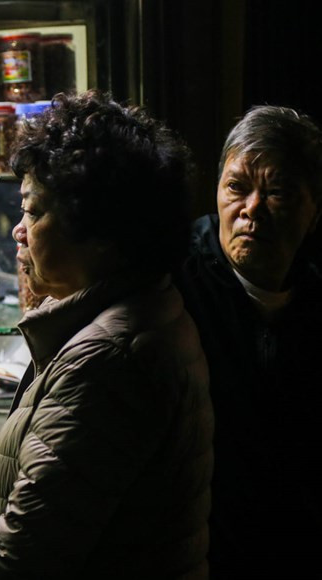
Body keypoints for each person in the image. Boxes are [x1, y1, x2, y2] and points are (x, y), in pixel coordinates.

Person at [0, 90, 213, 579]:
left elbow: (21, 561)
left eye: (33, 212)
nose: (18, 231)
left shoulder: (106, 360)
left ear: (97, 229)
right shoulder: (146, 309)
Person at [176, 105, 322, 578]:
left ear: (313, 209)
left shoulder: (316, 302)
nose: (251, 208)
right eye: (237, 187)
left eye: (276, 191)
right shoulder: (172, 285)